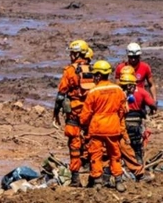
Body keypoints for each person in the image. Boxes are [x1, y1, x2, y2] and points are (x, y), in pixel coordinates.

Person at [79, 60, 127, 192]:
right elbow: (123, 110)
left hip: (97, 127)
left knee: (95, 155)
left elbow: (86, 113)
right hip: (113, 126)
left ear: (98, 75)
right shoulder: (118, 90)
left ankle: (98, 181)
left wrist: (83, 125)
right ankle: (118, 181)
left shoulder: (93, 92)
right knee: (115, 154)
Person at [53, 40, 94, 187]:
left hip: (75, 114)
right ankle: (94, 176)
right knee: (91, 143)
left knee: (74, 145)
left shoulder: (70, 71)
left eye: (72, 53)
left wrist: (56, 112)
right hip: (90, 114)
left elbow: (61, 94)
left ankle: (76, 179)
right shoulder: (92, 69)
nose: (70, 55)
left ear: (77, 53)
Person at [117, 73, 149, 180]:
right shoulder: (121, 97)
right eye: (133, 86)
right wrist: (125, 136)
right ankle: (138, 173)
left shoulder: (122, 95)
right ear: (129, 86)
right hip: (114, 128)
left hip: (107, 126)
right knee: (125, 149)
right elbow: (120, 120)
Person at [122, 72, 158, 164]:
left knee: (123, 142)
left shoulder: (118, 92)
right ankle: (138, 160)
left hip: (122, 120)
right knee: (137, 141)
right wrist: (152, 110)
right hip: (136, 120)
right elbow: (152, 104)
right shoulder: (142, 91)